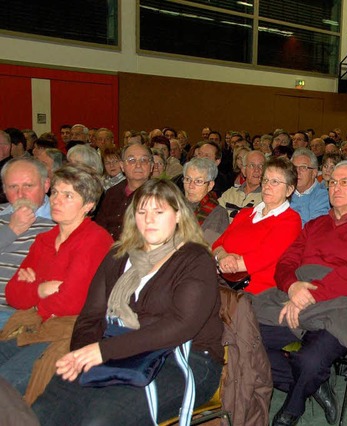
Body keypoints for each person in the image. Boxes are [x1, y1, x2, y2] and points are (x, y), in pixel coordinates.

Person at [32, 179, 224, 425]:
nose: (149, 219)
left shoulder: (195, 259)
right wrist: (81, 354)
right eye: (142, 212)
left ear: (178, 216)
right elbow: (91, 316)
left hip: (185, 358)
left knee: (100, 417)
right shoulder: (118, 256)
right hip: (118, 348)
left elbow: (181, 325)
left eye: (159, 211)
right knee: (45, 410)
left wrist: (103, 351)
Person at [259, 161, 347, 426]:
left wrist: (308, 296)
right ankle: (315, 384)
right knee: (246, 336)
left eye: (345, 182)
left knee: (309, 360)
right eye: (332, 182)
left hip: (343, 306)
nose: (336, 188)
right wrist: (293, 287)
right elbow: (286, 262)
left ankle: (293, 407)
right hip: (298, 297)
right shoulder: (315, 225)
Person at [0, 165, 113, 394]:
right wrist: (42, 289)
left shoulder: (95, 239)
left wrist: (33, 295)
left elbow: (71, 302)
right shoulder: (45, 239)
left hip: (69, 330)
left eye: (68, 195)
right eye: (56, 193)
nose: (56, 200)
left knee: (7, 381)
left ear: (88, 206)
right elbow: (13, 293)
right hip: (35, 323)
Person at [213, 157, 302, 294]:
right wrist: (223, 257)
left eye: (275, 182)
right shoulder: (245, 213)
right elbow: (218, 243)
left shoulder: (291, 220)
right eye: (265, 180)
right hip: (222, 280)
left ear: (289, 190)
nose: (267, 186)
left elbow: (261, 258)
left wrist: (228, 264)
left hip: (254, 291)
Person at [0, 158, 56, 327]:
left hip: (20, 314)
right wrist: (11, 230)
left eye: (28, 186)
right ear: (4, 189)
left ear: (46, 185)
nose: (21, 194)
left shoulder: (59, 221)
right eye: (12, 187)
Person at [95, 143, 153, 240]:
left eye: (144, 160)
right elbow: (100, 227)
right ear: (122, 166)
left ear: (151, 166)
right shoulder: (112, 193)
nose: (138, 165)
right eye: (131, 160)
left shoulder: (158, 195)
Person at [183, 158, 229, 244]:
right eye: (187, 179)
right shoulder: (176, 205)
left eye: (198, 181)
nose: (191, 186)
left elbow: (206, 249)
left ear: (210, 185)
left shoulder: (218, 214)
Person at [217, 150, 265, 220]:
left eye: (261, 166)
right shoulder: (230, 193)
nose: (257, 170)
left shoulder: (267, 197)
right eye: (252, 165)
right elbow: (216, 217)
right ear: (244, 170)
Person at [290, 148, 329, 226]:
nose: (297, 172)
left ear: (314, 172)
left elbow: (314, 228)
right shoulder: (284, 192)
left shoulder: (324, 196)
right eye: (294, 168)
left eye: (303, 167)